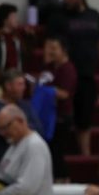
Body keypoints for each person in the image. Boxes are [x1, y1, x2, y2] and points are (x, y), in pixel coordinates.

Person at [45, 0, 99, 157]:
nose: (67, 1)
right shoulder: (59, 15)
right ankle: (60, 154)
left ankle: (85, 155)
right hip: (67, 71)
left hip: (88, 73)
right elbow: (49, 42)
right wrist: (49, 65)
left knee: (85, 118)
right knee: (64, 114)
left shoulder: (94, 15)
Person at [35, 36, 76, 181]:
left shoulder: (68, 69)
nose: (51, 52)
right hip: (47, 116)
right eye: (49, 48)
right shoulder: (50, 67)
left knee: (57, 152)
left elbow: (64, 93)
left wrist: (48, 91)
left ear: (64, 51)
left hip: (61, 117)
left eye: (54, 49)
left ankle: (63, 180)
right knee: (49, 151)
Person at [0, 69, 42, 170]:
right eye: (20, 84)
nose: (23, 88)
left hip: (24, 163)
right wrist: (23, 130)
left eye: (24, 84)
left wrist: (17, 129)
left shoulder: (26, 106)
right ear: (8, 86)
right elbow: (0, 132)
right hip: (0, 163)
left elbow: (39, 129)